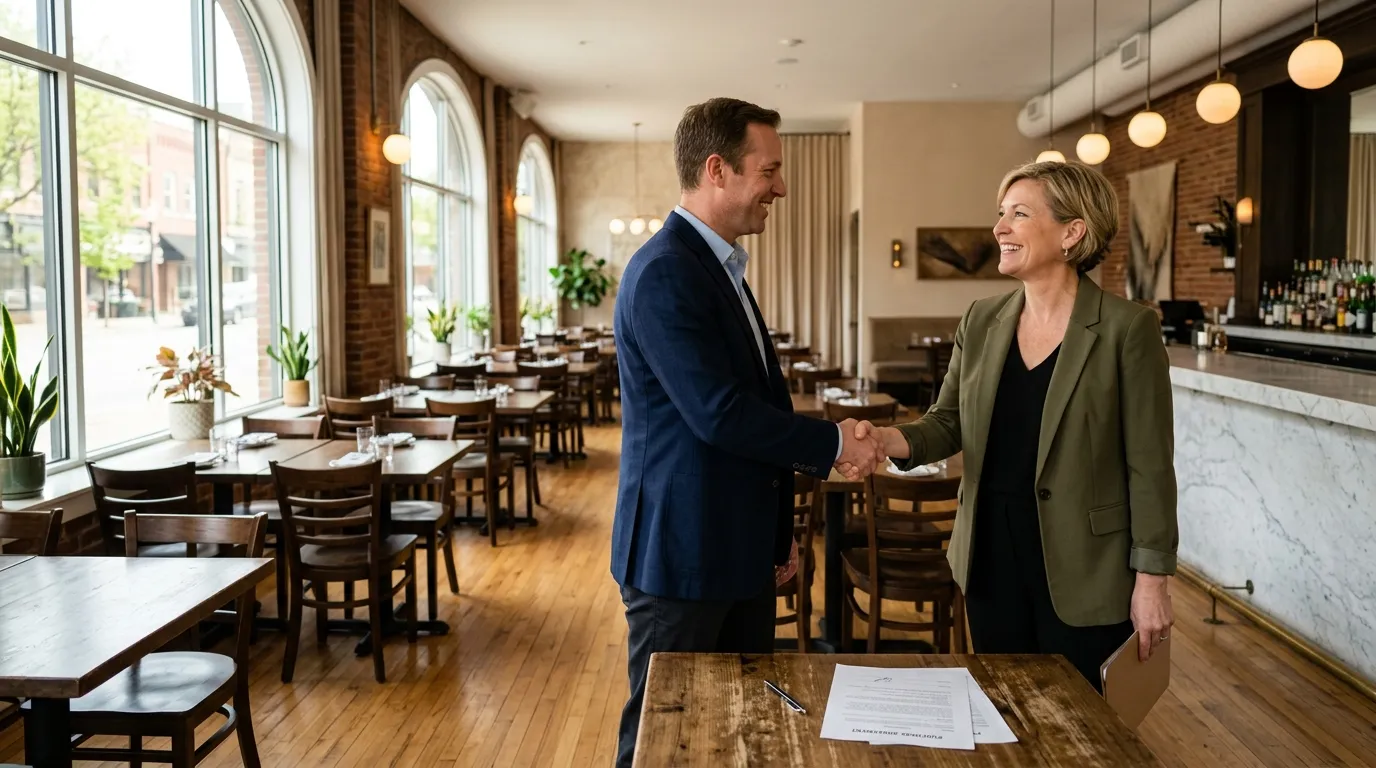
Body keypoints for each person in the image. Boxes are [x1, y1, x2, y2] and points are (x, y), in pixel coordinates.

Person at [610, 97, 884, 767]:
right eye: (770, 171)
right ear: (717, 170)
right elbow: (718, 413)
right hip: (680, 556)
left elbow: (752, 400)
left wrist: (775, 529)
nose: (781, 187)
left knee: (737, 727)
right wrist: (834, 446)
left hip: (734, 546)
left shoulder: (719, 266)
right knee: (663, 738)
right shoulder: (667, 271)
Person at [855, 159, 1178, 691]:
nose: (999, 228)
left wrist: (1152, 580)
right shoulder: (981, 320)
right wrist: (886, 439)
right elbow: (947, 421)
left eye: (1019, 214)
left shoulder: (1128, 329)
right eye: (1001, 214)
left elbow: (1150, 467)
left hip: (1087, 566)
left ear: (1072, 232)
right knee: (1005, 709)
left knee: (1082, 727)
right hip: (990, 559)